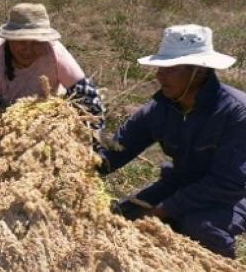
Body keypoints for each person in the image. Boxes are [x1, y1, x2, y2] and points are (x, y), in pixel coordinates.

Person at [97, 24, 246, 258]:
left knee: (199, 227)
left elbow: (227, 183)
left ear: (199, 71)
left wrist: (165, 210)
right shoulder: (159, 109)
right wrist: (77, 168)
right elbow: (116, 151)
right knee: (119, 216)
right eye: (160, 67)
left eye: (170, 68)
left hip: (232, 194)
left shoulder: (236, 113)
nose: (159, 75)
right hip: (181, 183)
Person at [0, 3, 104, 125]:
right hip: (6, 119)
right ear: (9, 39)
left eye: (36, 42)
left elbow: (89, 100)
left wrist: (92, 139)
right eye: (21, 41)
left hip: (51, 117)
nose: (28, 50)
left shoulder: (56, 54)